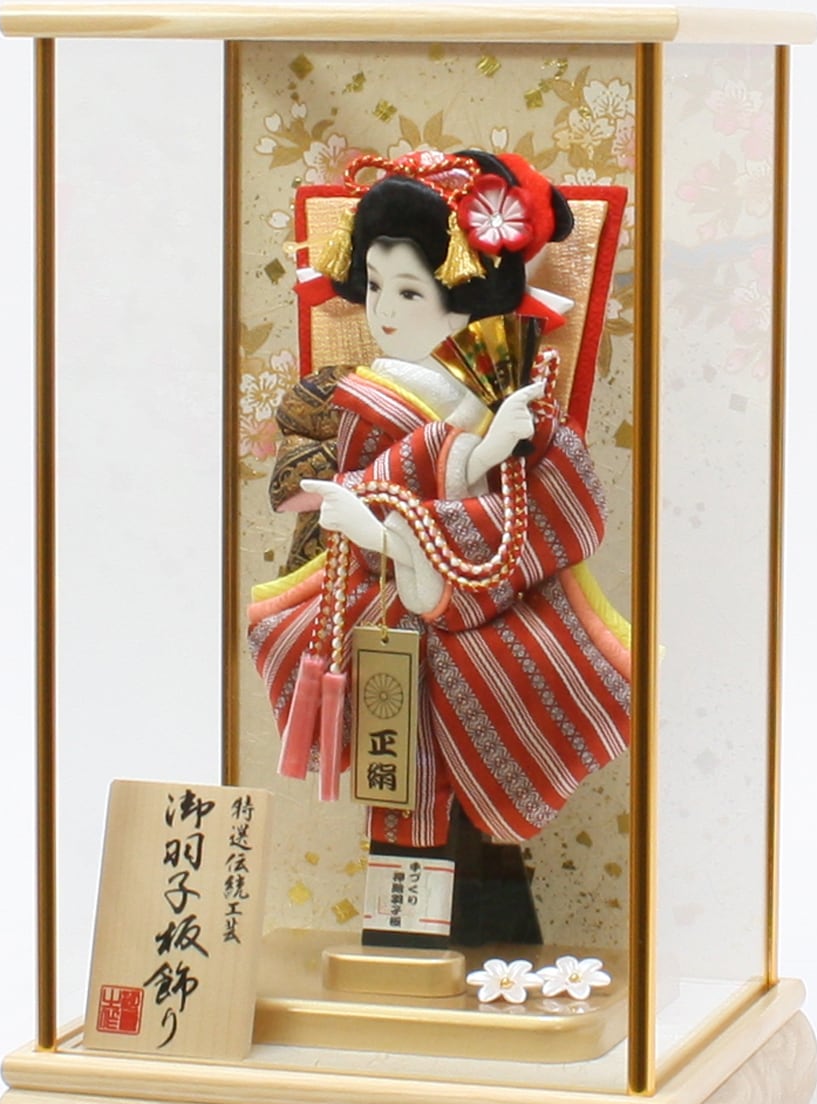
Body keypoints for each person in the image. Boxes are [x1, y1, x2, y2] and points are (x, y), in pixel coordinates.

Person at [248, 149, 631, 949]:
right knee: (399, 782)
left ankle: (494, 932)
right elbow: (309, 491)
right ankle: (409, 943)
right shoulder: (340, 396)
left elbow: (551, 514)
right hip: (376, 611)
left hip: (474, 617)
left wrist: (475, 467)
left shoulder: (508, 399)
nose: (385, 310)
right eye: (375, 287)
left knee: (493, 745)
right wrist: (416, 492)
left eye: (411, 292)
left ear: (461, 303)